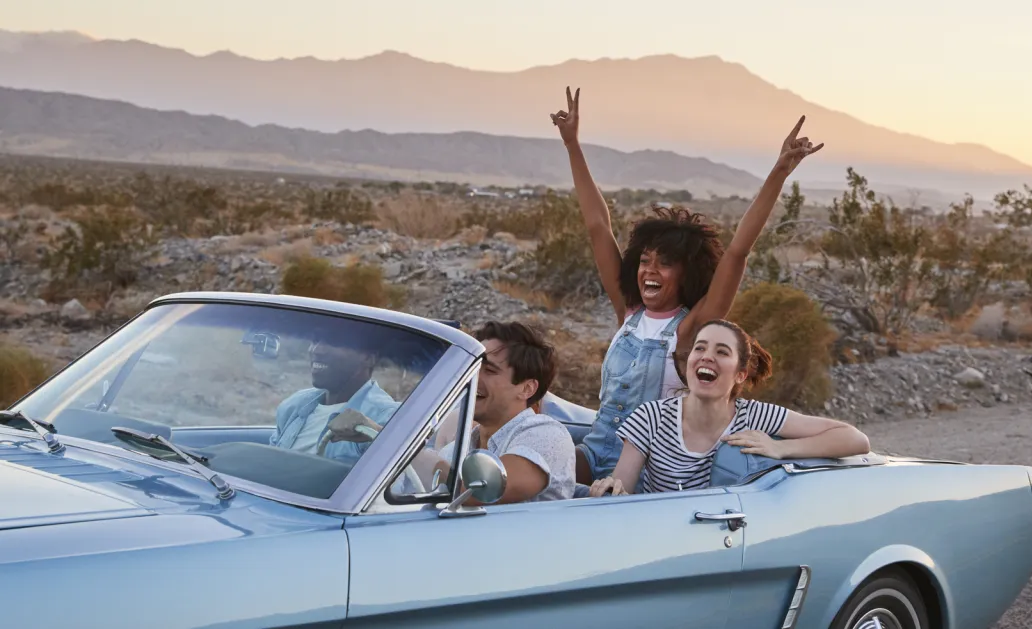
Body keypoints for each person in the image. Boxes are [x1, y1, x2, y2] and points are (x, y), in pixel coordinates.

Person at [550, 86, 823, 482]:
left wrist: (779, 171)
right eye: (644, 261)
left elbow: (737, 253)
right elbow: (597, 226)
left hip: (644, 471)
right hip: (595, 452)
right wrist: (572, 144)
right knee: (534, 465)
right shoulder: (628, 313)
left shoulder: (690, 329)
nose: (649, 271)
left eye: (664, 264)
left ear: (689, 272)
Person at [588, 319, 870, 496]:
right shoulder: (650, 417)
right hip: (661, 540)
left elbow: (855, 439)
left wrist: (781, 449)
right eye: (700, 348)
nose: (706, 357)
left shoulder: (756, 416)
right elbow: (622, 493)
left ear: (740, 374)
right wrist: (609, 490)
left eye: (722, 352)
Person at [430, 321, 576, 503]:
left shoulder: (547, 436)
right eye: (473, 366)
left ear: (527, 389)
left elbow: (484, 489)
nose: (472, 376)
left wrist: (418, 461)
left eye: (489, 370)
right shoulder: (455, 450)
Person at [269, 334, 399, 462]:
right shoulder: (295, 405)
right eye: (315, 340)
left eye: (334, 342)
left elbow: (402, 476)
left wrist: (377, 433)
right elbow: (270, 465)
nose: (316, 350)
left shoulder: (388, 417)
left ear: (368, 358)